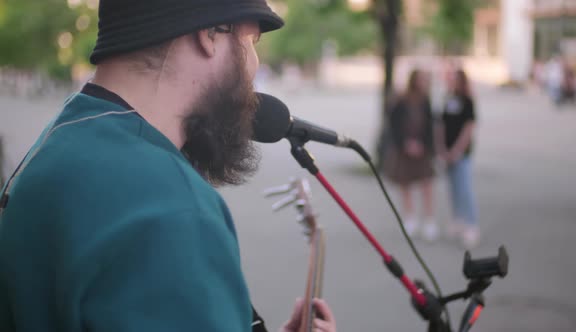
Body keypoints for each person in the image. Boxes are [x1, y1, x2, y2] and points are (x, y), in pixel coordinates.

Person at [0, 1, 337, 332]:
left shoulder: (61, 139)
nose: (253, 63)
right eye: (251, 41)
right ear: (210, 33)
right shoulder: (170, 208)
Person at [385, 69, 437, 241]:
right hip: (405, 149)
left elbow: (430, 126)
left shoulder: (426, 101)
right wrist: (405, 143)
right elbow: (394, 125)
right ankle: (410, 218)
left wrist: (424, 146)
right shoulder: (401, 100)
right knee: (405, 184)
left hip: (422, 150)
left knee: (426, 185)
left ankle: (429, 220)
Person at [440, 69, 480, 249]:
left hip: (461, 153)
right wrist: (442, 149)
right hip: (447, 152)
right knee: (453, 188)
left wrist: (457, 150)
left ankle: (471, 224)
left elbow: (468, 128)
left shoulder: (468, 101)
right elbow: (440, 124)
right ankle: (458, 221)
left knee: (465, 189)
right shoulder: (447, 99)